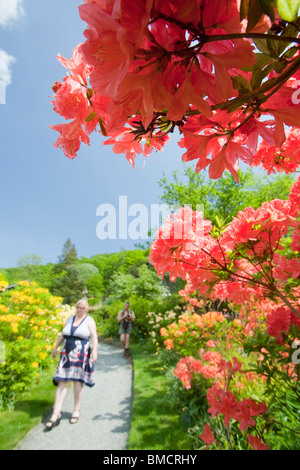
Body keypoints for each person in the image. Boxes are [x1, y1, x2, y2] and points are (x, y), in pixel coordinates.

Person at [45, 298, 98, 430]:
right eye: (78, 307)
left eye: (82, 308)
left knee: (77, 382)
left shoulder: (89, 320)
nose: (80, 310)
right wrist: (55, 347)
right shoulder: (70, 319)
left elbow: (94, 337)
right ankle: (56, 413)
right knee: (61, 381)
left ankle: (76, 409)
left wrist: (95, 351)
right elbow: (62, 335)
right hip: (65, 355)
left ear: (86, 309)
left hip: (81, 354)